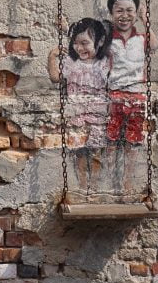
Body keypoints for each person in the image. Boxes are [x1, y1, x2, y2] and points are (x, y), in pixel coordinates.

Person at [47, 17, 112, 193]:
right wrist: (52, 56)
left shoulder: (104, 63)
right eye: (76, 43)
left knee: (97, 152)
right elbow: (55, 78)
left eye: (84, 43)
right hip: (77, 116)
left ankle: (95, 186)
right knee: (80, 153)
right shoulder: (71, 62)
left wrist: (67, 29)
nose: (79, 48)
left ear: (99, 42)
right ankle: (83, 186)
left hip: (98, 117)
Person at [103, 0, 158, 149]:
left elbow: (154, 45)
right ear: (111, 13)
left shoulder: (141, 39)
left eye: (129, 11)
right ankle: (111, 162)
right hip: (115, 94)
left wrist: (145, 20)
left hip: (137, 95)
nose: (124, 15)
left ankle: (131, 166)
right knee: (111, 137)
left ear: (136, 13)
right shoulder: (109, 41)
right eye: (119, 11)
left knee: (134, 140)